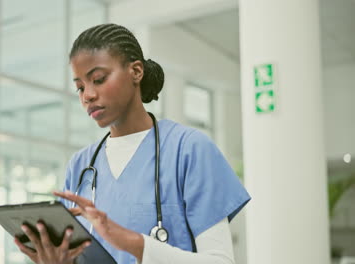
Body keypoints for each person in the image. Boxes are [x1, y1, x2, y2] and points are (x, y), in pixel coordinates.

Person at [14, 23, 251, 264]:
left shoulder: (188, 149)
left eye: (98, 79)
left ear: (136, 72)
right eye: (80, 87)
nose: (88, 95)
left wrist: (133, 243)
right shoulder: (80, 165)